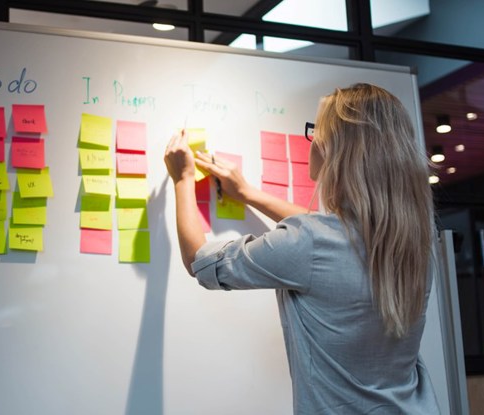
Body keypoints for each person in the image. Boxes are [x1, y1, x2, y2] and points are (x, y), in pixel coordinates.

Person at [164, 83, 440, 414]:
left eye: (315, 131)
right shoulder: (415, 245)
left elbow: (200, 261)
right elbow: (335, 239)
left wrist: (182, 180)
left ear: (333, 150)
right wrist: (250, 194)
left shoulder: (309, 243)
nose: (313, 141)